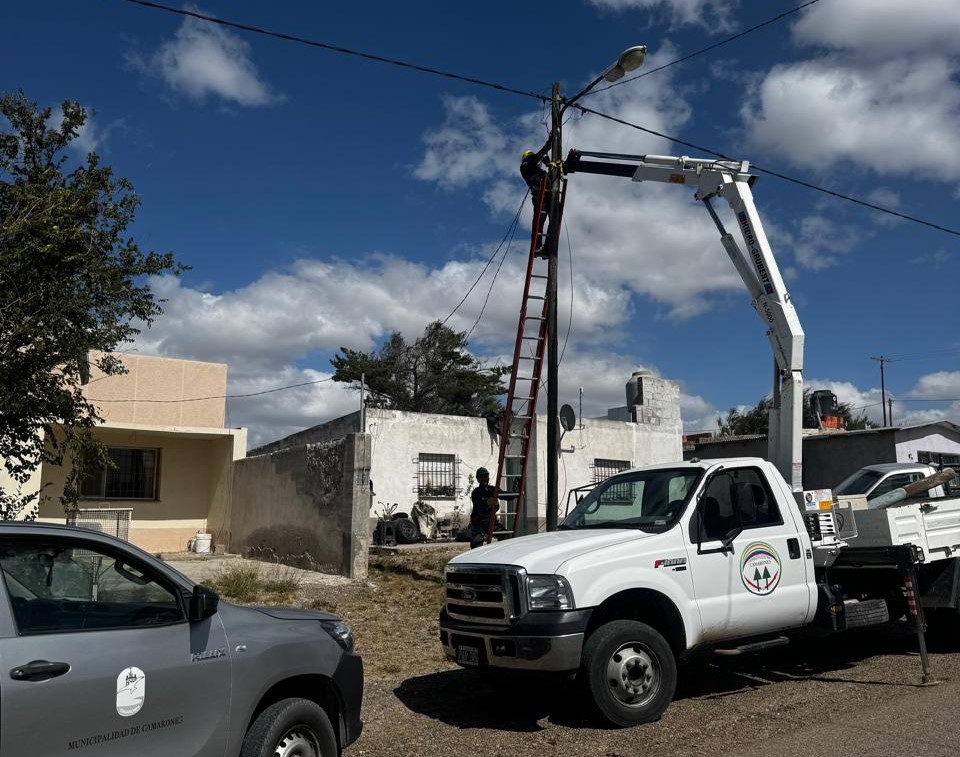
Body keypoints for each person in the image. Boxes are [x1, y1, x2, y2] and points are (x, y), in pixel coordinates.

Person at [520, 144, 553, 254]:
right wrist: (547, 146)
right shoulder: (525, 167)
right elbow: (534, 160)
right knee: (539, 222)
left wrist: (548, 164)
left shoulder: (538, 171)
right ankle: (536, 247)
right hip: (539, 196)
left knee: (554, 220)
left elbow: (551, 178)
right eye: (531, 158)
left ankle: (547, 247)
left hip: (549, 196)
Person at [469, 467, 499, 548]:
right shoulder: (476, 492)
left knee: (506, 536)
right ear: (478, 479)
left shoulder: (492, 490)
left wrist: (515, 491)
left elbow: (506, 496)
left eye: (486, 476)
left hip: (491, 522)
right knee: (477, 545)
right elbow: (479, 506)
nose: (484, 479)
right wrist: (488, 502)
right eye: (481, 477)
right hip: (479, 523)